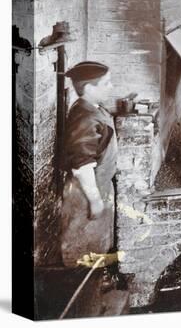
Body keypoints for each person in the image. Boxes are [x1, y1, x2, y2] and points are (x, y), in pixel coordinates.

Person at [61, 61, 117, 268]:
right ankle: (80, 287)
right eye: (106, 83)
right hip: (85, 193)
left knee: (96, 242)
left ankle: (94, 279)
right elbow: (82, 165)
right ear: (89, 88)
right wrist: (94, 199)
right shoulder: (84, 118)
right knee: (82, 246)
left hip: (99, 185)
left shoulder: (93, 108)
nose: (111, 86)